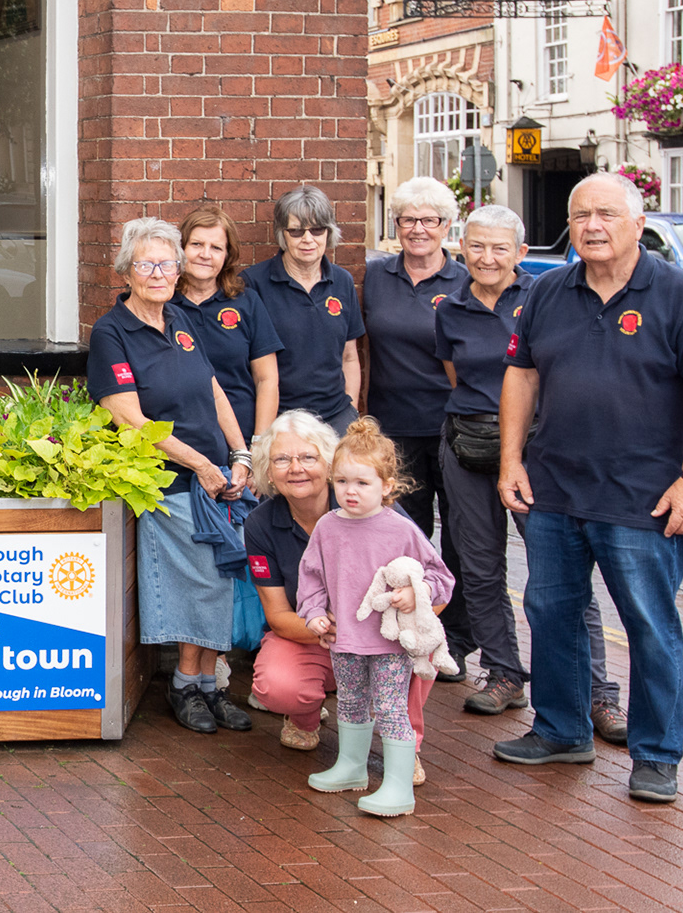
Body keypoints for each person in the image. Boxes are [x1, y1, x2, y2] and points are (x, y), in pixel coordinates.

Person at [496, 173, 683, 803]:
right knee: (551, 612)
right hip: (553, 490)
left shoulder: (682, 294)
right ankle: (560, 730)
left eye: (605, 213)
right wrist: (510, 459)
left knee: (649, 624)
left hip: (644, 497)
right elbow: (521, 374)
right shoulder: (547, 291)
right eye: (580, 216)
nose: (592, 226)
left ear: (637, 221)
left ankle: (656, 755)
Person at [434, 205, 625, 734]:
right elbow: (459, 377)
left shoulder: (548, 298)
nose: (487, 257)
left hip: (540, 452)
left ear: (521, 253)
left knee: (562, 572)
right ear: (461, 249)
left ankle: (598, 693)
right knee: (479, 566)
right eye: (476, 246)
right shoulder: (448, 308)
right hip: (468, 448)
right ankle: (502, 673)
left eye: (500, 248)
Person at [87, 217, 254, 736]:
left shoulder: (180, 318)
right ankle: (187, 682)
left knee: (218, 583)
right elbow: (130, 421)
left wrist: (240, 453)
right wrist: (202, 465)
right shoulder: (111, 332)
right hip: (171, 482)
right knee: (200, 584)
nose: (159, 273)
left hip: (216, 476)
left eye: (167, 263)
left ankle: (209, 685)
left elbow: (214, 390)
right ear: (126, 270)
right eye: (147, 264)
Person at [246, 411, 435, 784]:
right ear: (269, 471)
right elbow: (277, 613)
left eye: (309, 457)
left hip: (381, 634)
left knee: (420, 649)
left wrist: (410, 606)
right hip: (318, 632)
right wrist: (332, 629)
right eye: (282, 459)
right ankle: (304, 719)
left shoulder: (374, 505)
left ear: (329, 465)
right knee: (277, 684)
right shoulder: (261, 524)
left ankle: (404, 746)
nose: (296, 468)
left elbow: (434, 582)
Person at [295, 418, 455, 818]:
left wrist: (413, 593)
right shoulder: (327, 528)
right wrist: (313, 614)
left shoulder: (400, 529)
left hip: (388, 644)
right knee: (350, 702)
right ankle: (351, 767)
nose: (350, 491)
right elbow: (311, 577)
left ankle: (399, 787)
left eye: (362, 483)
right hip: (344, 639)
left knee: (390, 709)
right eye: (342, 481)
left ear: (387, 486)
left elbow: (441, 577)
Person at [360, 177, 471, 676]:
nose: (419, 229)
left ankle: (458, 638)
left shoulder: (465, 281)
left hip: (453, 429)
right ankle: (408, 633)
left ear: (447, 227)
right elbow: (357, 351)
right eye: (408, 220)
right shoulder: (376, 277)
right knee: (406, 535)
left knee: (464, 537)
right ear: (396, 225)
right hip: (393, 428)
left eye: (430, 220)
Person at [244, 186, 363, 433]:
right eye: (296, 231)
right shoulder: (253, 283)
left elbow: (349, 356)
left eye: (317, 229)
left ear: (328, 232)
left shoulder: (342, 281)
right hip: (279, 419)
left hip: (336, 418)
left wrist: (350, 409)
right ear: (282, 235)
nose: (308, 239)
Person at [176, 205, 284, 442]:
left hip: (241, 440)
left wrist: (259, 445)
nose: (206, 254)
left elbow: (267, 379)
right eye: (196, 244)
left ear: (227, 256)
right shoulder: (163, 304)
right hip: (179, 443)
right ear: (181, 248)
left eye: (216, 248)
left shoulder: (246, 302)